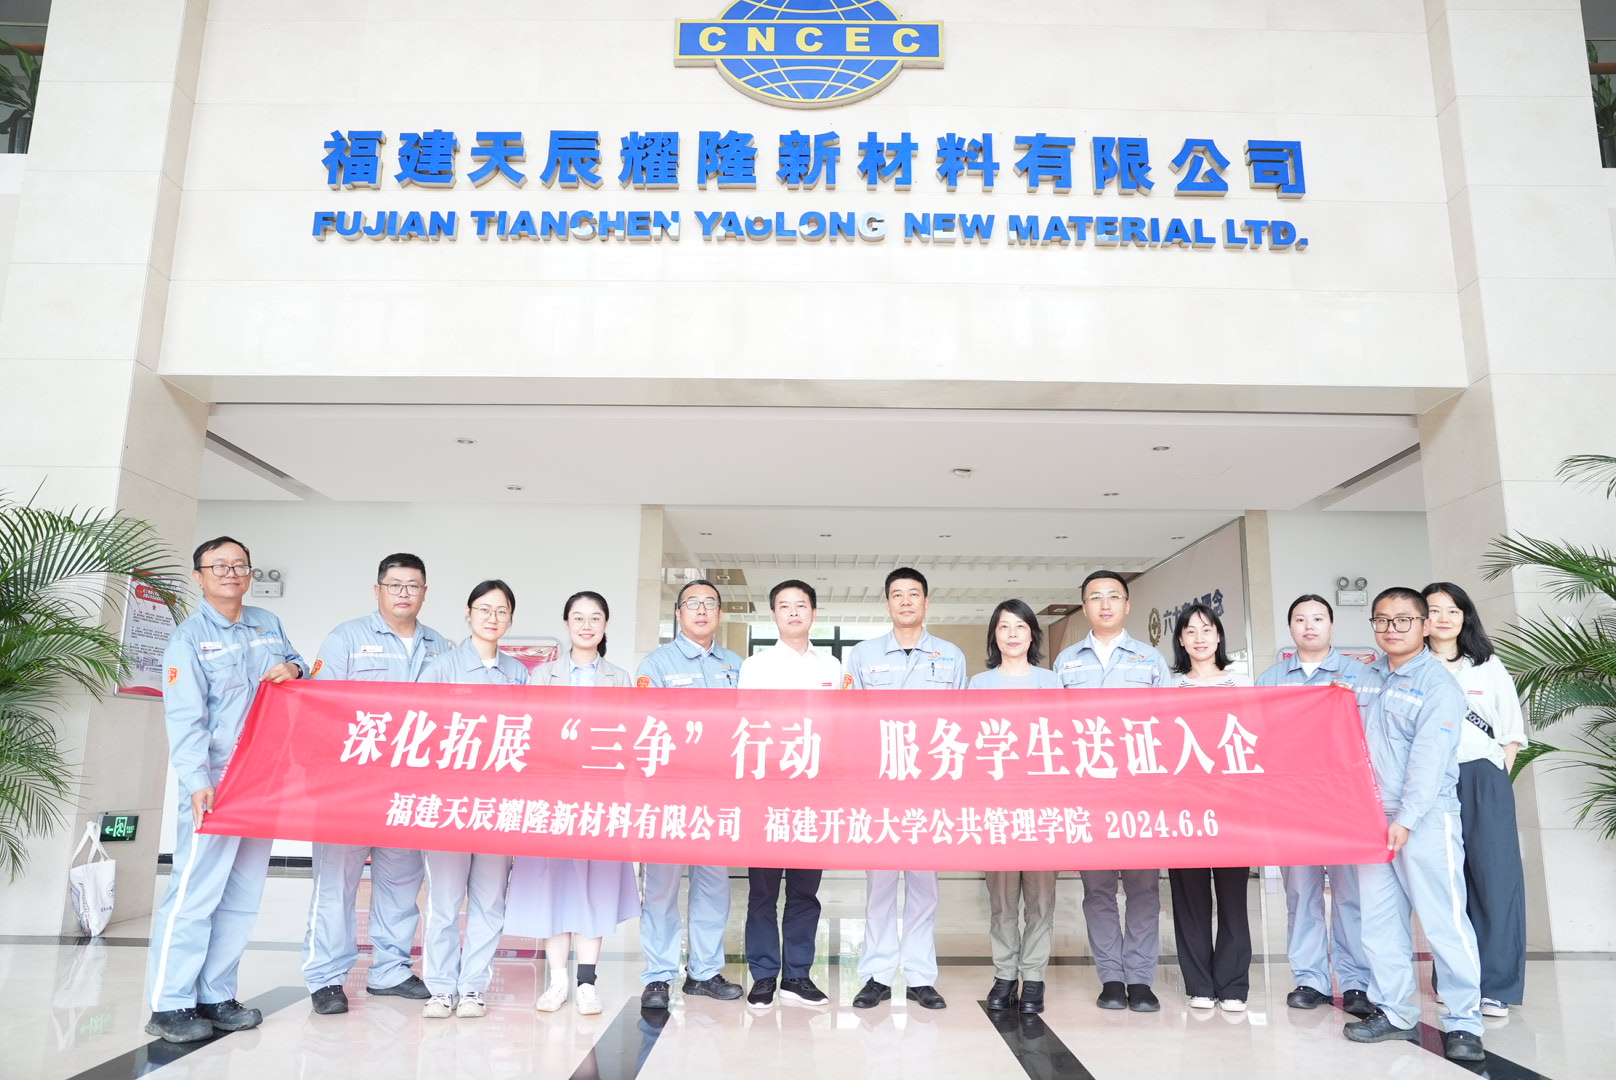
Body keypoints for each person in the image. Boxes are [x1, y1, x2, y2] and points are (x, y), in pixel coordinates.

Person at [145, 537, 308, 1043]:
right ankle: (170, 1003)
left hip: (264, 777)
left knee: (242, 893)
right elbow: (185, 718)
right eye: (218, 566)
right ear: (199, 577)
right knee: (195, 892)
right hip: (216, 782)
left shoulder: (266, 623)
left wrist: (294, 668)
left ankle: (215, 995)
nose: (231, 572)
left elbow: (298, 663)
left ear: (250, 573)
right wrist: (197, 781)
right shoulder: (189, 639)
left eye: (239, 565)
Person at [302, 553, 452, 1015]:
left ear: (425, 592)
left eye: (413, 585)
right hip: (349, 787)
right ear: (378, 589)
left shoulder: (441, 647)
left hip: (409, 790)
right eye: (395, 584)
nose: (404, 593)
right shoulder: (346, 639)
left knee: (401, 882)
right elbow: (319, 707)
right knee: (336, 885)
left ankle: (390, 971)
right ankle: (326, 978)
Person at [1342, 587, 1485, 1063]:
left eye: (1403, 620)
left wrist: (1405, 819)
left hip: (1424, 819)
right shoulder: (1365, 678)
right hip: (1370, 819)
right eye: (1382, 620)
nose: (1391, 629)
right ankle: (1395, 1011)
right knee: (1379, 923)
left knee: (1444, 920)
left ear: (1424, 626)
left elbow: (1429, 760)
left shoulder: (1437, 685)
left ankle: (1464, 1021)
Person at [506, 590, 639, 1017]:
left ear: (605, 625)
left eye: (594, 617)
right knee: (553, 884)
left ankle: (587, 983)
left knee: (593, 886)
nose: (586, 625)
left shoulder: (619, 678)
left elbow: (628, 739)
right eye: (578, 617)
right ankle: (558, 981)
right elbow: (530, 734)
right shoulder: (542, 676)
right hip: (552, 797)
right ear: (567, 623)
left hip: (599, 798)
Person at [843, 567, 965, 1012]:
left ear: (926, 603)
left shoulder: (951, 656)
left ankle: (919, 978)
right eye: (898, 594)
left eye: (914, 594)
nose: (906, 601)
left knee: (924, 886)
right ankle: (876, 976)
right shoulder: (862, 655)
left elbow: (961, 722)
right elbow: (850, 721)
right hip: (879, 787)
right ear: (888, 603)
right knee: (879, 885)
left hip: (929, 788)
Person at [1051, 570, 1172, 1013]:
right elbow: (1053, 729)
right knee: (1098, 890)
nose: (1105, 604)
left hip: (1140, 793)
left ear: (1127, 605)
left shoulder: (1150, 660)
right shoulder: (1066, 663)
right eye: (1095, 597)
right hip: (1088, 795)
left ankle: (1140, 979)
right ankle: (1112, 979)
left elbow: (1169, 725)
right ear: (1084, 607)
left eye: (1113, 597)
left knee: (1144, 889)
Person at [1255, 594, 1378, 1019]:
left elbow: (1373, 735)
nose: (1309, 626)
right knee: (1301, 893)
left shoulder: (1361, 676)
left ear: (1331, 625)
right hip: (1292, 803)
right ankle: (1310, 979)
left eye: (1318, 618)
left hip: (1346, 803)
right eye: (1300, 619)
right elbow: (1260, 739)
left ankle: (1356, 981)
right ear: (1290, 627)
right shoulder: (1270, 680)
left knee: (1348, 894)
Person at [416, 580, 529, 1020]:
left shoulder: (518, 673)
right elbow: (421, 730)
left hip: (499, 805)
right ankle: (441, 989)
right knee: (444, 904)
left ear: (511, 618)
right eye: (484, 609)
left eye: (501, 611)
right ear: (468, 613)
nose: (492, 618)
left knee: (489, 902)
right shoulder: (441, 668)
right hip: (449, 805)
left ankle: (473, 988)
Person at [635, 579, 745, 1009]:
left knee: (713, 886)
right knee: (661, 887)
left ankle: (704, 972)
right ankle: (659, 976)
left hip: (719, 794)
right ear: (679, 612)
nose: (701, 610)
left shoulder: (737, 666)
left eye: (710, 603)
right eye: (692, 603)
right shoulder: (657, 664)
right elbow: (647, 726)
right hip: (669, 794)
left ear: (719, 613)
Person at [1423, 581, 1528, 1017]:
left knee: (1495, 879)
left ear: (1465, 616)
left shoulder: (1487, 665)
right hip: (1430, 781)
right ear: (1421, 619)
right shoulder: (1413, 666)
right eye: (1434, 609)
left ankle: (1497, 986)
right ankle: (1454, 978)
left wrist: (1494, 776)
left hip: (1482, 776)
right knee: (1446, 885)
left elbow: (1511, 731)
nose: (1444, 618)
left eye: (1454, 609)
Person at [736, 579, 842, 1009]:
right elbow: (745, 728)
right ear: (774, 614)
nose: (794, 612)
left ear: (813, 613)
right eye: (785, 606)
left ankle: (797, 975)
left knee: (804, 891)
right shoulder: (755, 666)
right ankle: (763, 976)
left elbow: (840, 728)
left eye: (801, 605)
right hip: (767, 792)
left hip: (815, 793)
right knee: (763, 891)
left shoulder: (832, 667)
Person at [969, 599, 1063, 1015]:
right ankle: (1005, 974)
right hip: (998, 808)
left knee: (1040, 900)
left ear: (1032, 635)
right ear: (994, 635)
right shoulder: (978, 685)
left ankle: (1035, 977)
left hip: (1042, 807)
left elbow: (1064, 741)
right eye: (1004, 626)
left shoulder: (1052, 682)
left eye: (1020, 626)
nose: (1012, 634)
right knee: (1003, 901)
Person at [1165, 603, 1254, 1013]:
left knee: (1233, 899)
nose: (1199, 638)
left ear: (1219, 636)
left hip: (1234, 808)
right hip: (1184, 807)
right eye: (1190, 631)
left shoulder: (1242, 684)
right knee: (1190, 899)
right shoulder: (1169, 688)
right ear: (1181, 640)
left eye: (1207, 630)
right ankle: (1199, 983)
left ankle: (1233, 985)